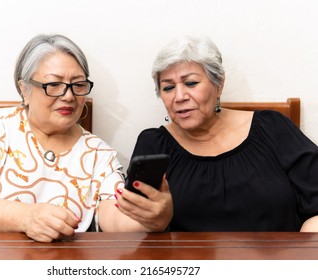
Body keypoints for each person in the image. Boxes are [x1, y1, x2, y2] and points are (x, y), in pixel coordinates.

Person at [0, 34, 172, 242]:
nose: (69, 96)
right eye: (54, 84)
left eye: (78, 85)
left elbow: (112, 216)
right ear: (24, 89)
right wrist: (27, 217)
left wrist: (150, 219)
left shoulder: (98, 153)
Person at [117, 35, 318, 232]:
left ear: (219, 84)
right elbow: (139, 225)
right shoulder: (154, 145)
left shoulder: (272, 128)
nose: (179, 97)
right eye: (168, 87)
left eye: (191, 83)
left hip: (277, 262)